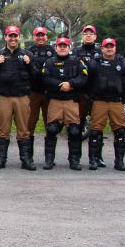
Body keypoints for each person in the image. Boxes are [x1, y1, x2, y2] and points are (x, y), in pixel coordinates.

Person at [0, 25, 34, 169]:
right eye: (10, 36)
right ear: (5, 37)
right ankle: (1, 159)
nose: (12, 39)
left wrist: (29, 64)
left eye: (15, 36)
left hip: (22, 97)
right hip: (4, 97)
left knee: (23, 130)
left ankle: (26, 160)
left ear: (19, 37)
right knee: (3, 130)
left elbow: (36, 76)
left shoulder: (27, 54)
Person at [41, 37, 88, 170]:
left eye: (65, 46)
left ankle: (74, 160)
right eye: (60, 46)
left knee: (74, 131)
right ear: (55, 48)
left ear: (69, 47)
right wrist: (60, 85)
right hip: (55, 100)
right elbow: (45, 78)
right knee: (52, 130)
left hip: (71, 100)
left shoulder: (77, 61)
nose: (62, 48)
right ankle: (49, 160)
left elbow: (83, 77)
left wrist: (71, 84)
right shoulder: (49, 62)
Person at [85, 37, 125, 171]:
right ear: (102, 48)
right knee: (95, 131)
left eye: (112, 46)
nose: (109, 49)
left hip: (116, 101)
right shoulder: (94, 63)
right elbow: (88, 82)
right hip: (99, 101)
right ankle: (94, 159)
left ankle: (119, 161)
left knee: (120, 131)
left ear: (115, 48)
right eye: (107, 46)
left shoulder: (123, 64)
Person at [73, 25, 102, 166]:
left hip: (97, 94)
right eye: (86, 33)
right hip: (80, 93)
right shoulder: (76, 52)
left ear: (95, 36)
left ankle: (96, 157)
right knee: (78, 126)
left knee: (97, 127)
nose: (88, 35)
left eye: (91, 33)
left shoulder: (101, 52)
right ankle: (76, 157)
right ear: (82, 36)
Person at [27, 27, 55, 135]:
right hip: (33, 92)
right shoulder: (28, 51)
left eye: (42, 35)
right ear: (34, 37)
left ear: (46, 37)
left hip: (49, 92)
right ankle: (28, 144)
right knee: (30, 121)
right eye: (37, 35)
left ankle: (50, 144)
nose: (40, 38)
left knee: (50, 121)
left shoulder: (52, 50)